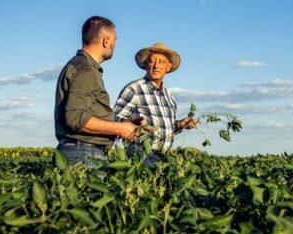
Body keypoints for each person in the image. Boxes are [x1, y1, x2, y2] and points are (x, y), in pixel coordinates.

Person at [54, 16, 139, 166]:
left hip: (79, 151)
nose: (114, 45)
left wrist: (124, 124)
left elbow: (84, 113)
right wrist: (120, 129)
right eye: (115, 40)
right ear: (106, 40)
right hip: (83, 154)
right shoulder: (86, 69)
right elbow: (76, 118)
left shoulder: (80, 65)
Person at [114, 42, 197, 168]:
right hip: (140, 151)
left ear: (168, 67)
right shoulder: (135, 88)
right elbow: (114, 117)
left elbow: (165, 128)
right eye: (152, 61)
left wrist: (181, 124)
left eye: (161, 62)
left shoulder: (168, 95)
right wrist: (135, 123)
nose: (156, 66)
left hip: (163, 156)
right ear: (146, 65)